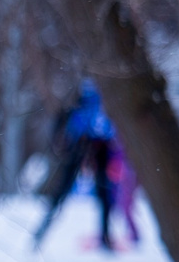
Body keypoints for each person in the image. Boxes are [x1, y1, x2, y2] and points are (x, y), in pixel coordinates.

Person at [32, 81, 118, 253]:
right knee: (100, 193)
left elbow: (73, 125)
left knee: (92, 191)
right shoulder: (99, 100)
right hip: (90, 146)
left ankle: (42, 230)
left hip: (91, 146)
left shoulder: (86, 100)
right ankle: (105, 236)